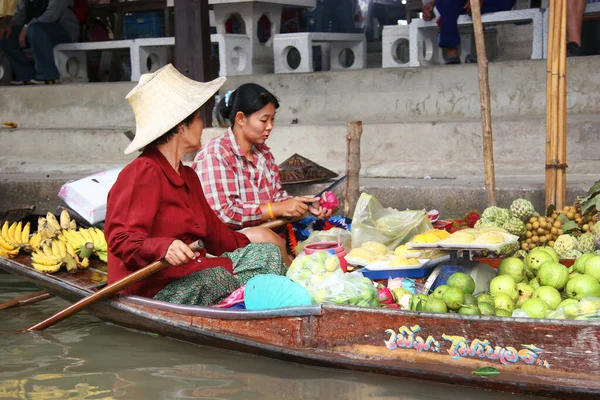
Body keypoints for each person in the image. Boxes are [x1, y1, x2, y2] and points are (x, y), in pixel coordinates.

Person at [104, 64, 288, 307]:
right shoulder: (143, 172)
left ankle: (236, 299)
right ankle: (237, 299)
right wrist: (164, 247)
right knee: (216, 278)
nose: (202, 125)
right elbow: (120, 238)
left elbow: (217, 237)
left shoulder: (188, 176)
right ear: (181, 126)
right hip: (154, 289)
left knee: (267, 254)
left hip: (194, 272)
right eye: (199, 118)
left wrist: (260, 240)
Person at [193, 83, 333, 259]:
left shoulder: (263, 153)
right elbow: (225, 214)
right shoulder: (216, 154)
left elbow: (277, 197)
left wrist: (303, 205)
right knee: (271, 243)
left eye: (272, 119)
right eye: (263, 120)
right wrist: (276, 209)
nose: (270, 126)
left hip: (270, 241)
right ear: (241, 118)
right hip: (227, 248)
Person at [0, 0, 78, 84]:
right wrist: (10, 24)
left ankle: (47, 76)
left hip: (63, 29)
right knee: (6, 36)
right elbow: (20, 15)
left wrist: (27, 27)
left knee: (35, 30)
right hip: (34, 31)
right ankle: (25, 76)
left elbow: (53, 14)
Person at [422, 0, 516, 64]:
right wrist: (436, 3)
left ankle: (480, 53)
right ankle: (451, 51)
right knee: (446, 2)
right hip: (465, 4)